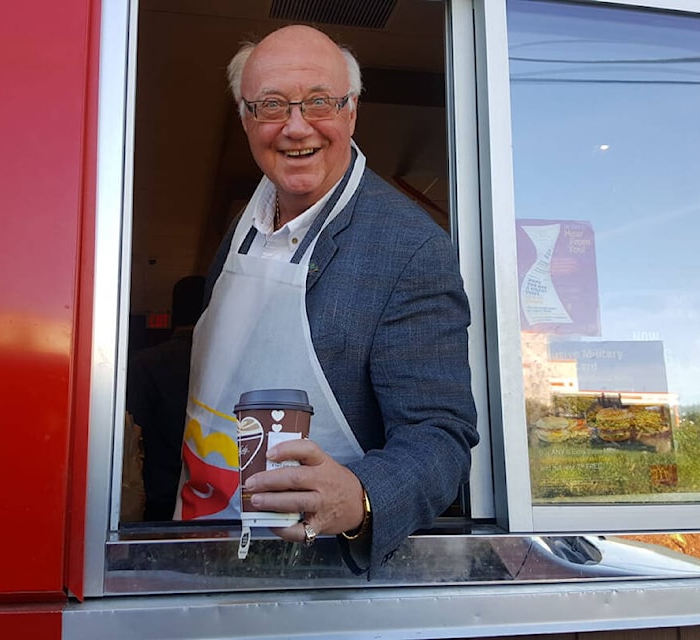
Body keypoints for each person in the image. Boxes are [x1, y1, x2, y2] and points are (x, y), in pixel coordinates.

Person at [174, 24, 479, 575]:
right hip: (200, 544)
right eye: (272, 106)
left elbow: (442, 436)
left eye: (319, 102)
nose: (296, 127)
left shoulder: (409, 249)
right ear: (245, 118)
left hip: (317, 580)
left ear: (352, 110)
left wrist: (361, 496)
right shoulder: (244, 220)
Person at [127, 275, 205, 521]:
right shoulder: (228, 364)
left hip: (158, 498)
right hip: (213, 498)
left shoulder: (145, 363)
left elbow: (130, 435)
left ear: (173, 313)